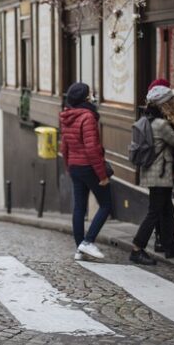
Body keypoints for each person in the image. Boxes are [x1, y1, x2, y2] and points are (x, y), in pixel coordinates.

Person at [130, 85, 174, 265]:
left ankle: (170, 245)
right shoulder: (161, 124)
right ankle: (137, 248)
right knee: (154, 212)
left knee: (166, 209)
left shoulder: (147, 120)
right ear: (164, 104)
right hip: (161, 174)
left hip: (151, 173)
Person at [60, 82, 112, 261]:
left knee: (79, 208)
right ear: (85, 97)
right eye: (89, 94)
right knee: (106, 204)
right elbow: (92, 149)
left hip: (75, 166)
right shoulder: (87, 116)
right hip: (89, 167)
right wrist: (102, 176)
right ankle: (87, 242)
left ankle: (79, 250)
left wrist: (68, 166)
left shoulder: (66, 116)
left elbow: (64, 147)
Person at [146, 79, 174, 253]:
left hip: (153, 170)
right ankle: (142, 245)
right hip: (163, 170)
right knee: (161, 209)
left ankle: (163, 241)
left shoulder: (149, 117)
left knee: (162, 207)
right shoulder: (164, 122)